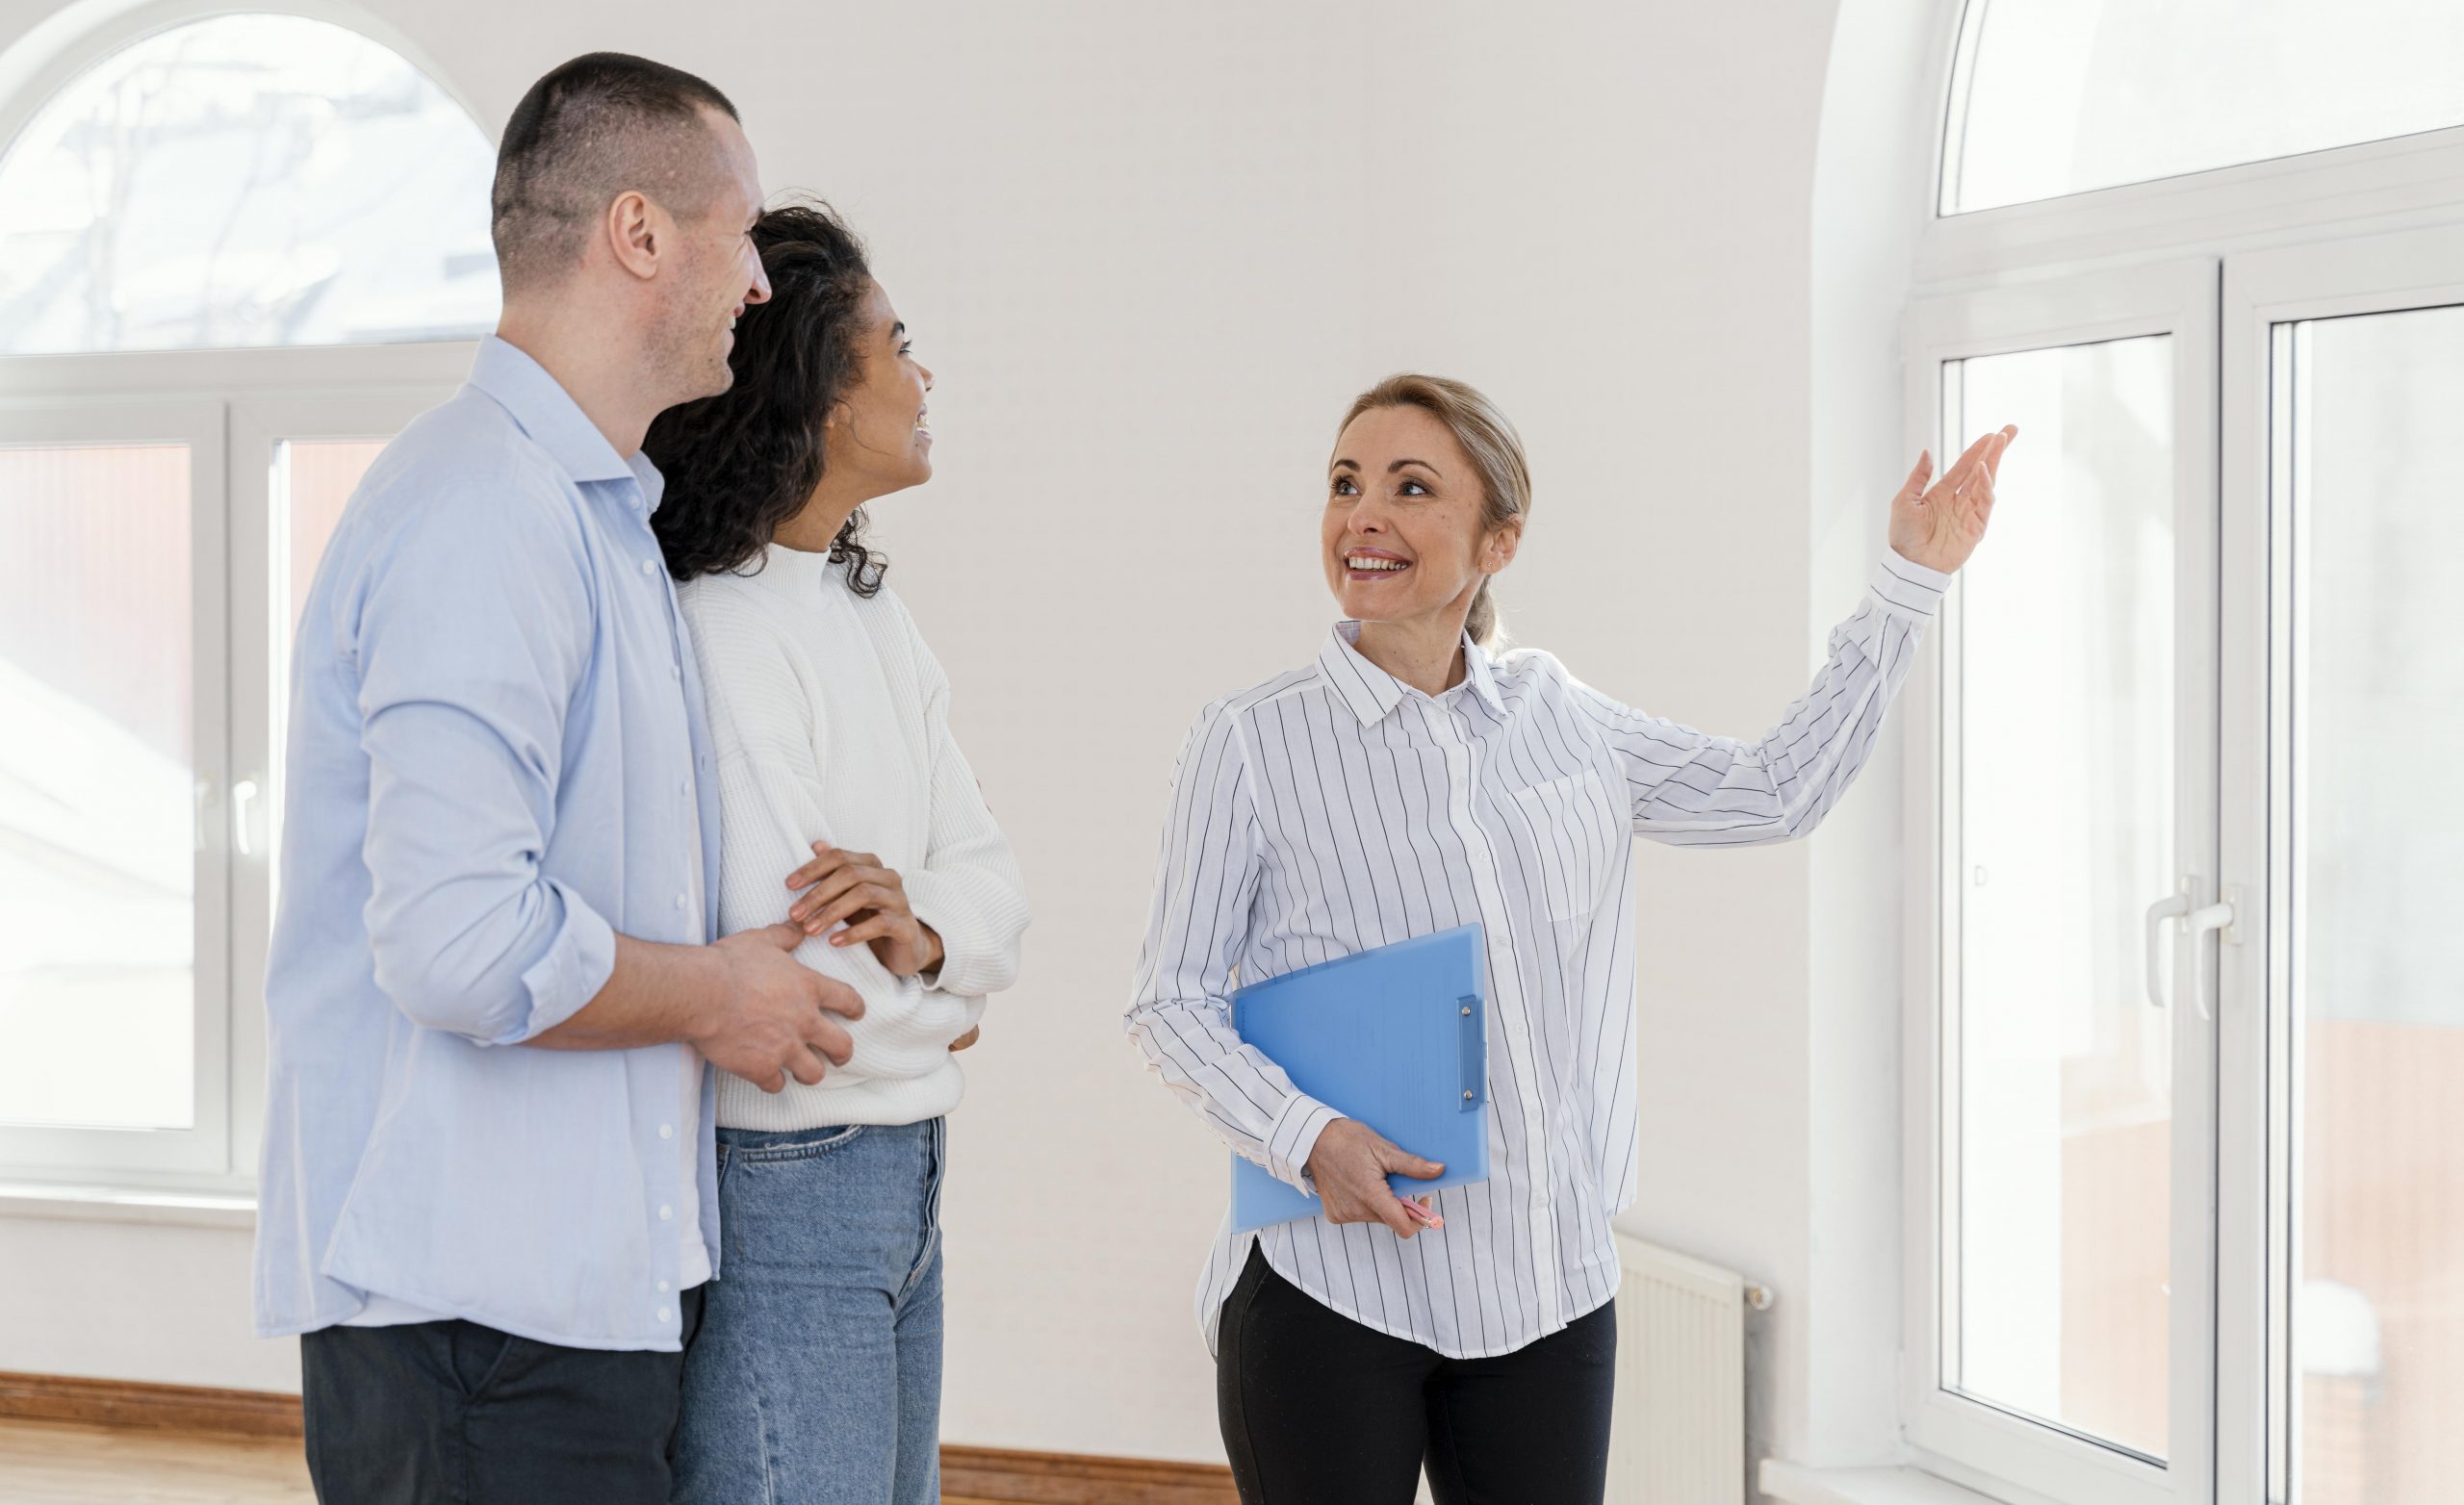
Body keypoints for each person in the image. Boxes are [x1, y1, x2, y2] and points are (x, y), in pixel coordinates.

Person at [1126, 373, 2014, 1504]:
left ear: (1499, 538)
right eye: (1345, 484)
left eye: (1410, 487)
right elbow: (1170, 999)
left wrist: (1906, 586)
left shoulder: (1561, 716)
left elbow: (1775, 789)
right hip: (1332, 1293)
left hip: (1548, 1288)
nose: (1363, 515)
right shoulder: (1249, 742)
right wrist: (1306, 1136)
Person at [254, 55, 871, 1505]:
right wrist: (722, 994)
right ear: (641, 233)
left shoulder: (590, 518)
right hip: (475, 1319)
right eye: (740, 233)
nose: (760, 284)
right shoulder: (486, 514)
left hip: (564, 1307)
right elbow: (461, 946)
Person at [641, 199, 1031, 1505]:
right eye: (896, 344)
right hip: (790, 1175)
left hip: (901, 1163)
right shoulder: (724, 629)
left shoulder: (870, 612)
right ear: (814, 388)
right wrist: (951, 990)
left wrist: (925, 937)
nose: (924, 378)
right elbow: (798, 991)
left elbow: (994, 887)